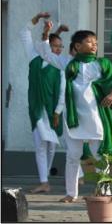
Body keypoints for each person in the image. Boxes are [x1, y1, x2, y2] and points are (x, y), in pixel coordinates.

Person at [38, 22, 112, 202]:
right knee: (72, 156)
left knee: (100, 156)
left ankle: (104, 193)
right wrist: (46, 34)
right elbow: (46, 54)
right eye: (90, 42)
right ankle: (71, 194)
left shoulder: (101, 64)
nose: (94, 44)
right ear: (78, 46)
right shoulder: (68, 63)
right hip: (74, 118)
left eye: (95, 42)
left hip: (96, 116)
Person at [21, 12, 68, 193]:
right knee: (41, 144)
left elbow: (62, 91)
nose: (58, 49)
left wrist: (57, 111)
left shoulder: (59, 66)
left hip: (53, 110)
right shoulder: (33, 58)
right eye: (55, 46)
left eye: (60, 47)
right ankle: (43, 181)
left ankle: (45, 179)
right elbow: (25, 33)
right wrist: (37, 18)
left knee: (51, 146)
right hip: (37, 108)